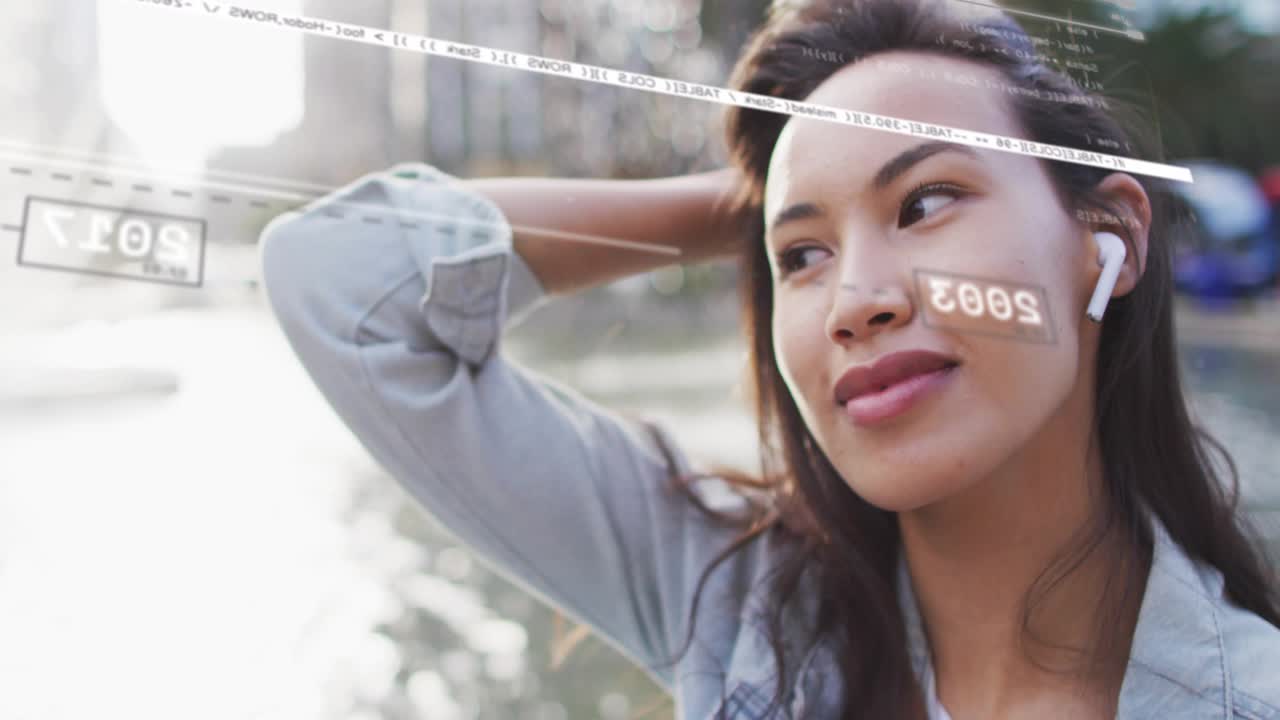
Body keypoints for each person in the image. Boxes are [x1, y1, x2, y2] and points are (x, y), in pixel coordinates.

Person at [259, 0, 1280, 717]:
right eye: (800, 258)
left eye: (923, 202)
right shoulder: (733, 605)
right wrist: (752, 190)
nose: (854, 301)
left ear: (1106, 239)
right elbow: (339, 279)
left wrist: (807, 183)